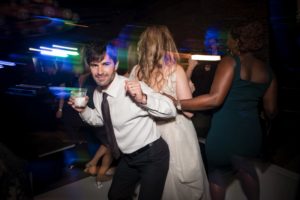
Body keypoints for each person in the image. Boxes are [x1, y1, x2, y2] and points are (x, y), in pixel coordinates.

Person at [176, 20, 278, 200]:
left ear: (238, 41)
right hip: (251, 134)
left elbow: (215, 99)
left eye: (230, 38)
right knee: (247, 170)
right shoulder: (268, 71)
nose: (227, 42)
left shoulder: (230, 62)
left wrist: (178, 103)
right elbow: (271, 110)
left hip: (225, 133)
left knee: (217, 177)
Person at [68, 41, 177, 200]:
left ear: (116, 65)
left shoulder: (131, 87)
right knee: (116, 196)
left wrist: (143, 98)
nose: (99, 71)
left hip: (152, 155)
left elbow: (171, 109)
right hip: (128, 158)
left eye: (105, 64)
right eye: (94, 65)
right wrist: (83, 110)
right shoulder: (99, 93)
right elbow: (99, 119)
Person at [129, 25, 210, 200]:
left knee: (155, 186)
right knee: (180, 188)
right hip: (176, 133)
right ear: (166, 43)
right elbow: (189, 113)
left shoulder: (136, 71)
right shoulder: (175, 69)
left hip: (149, 133)